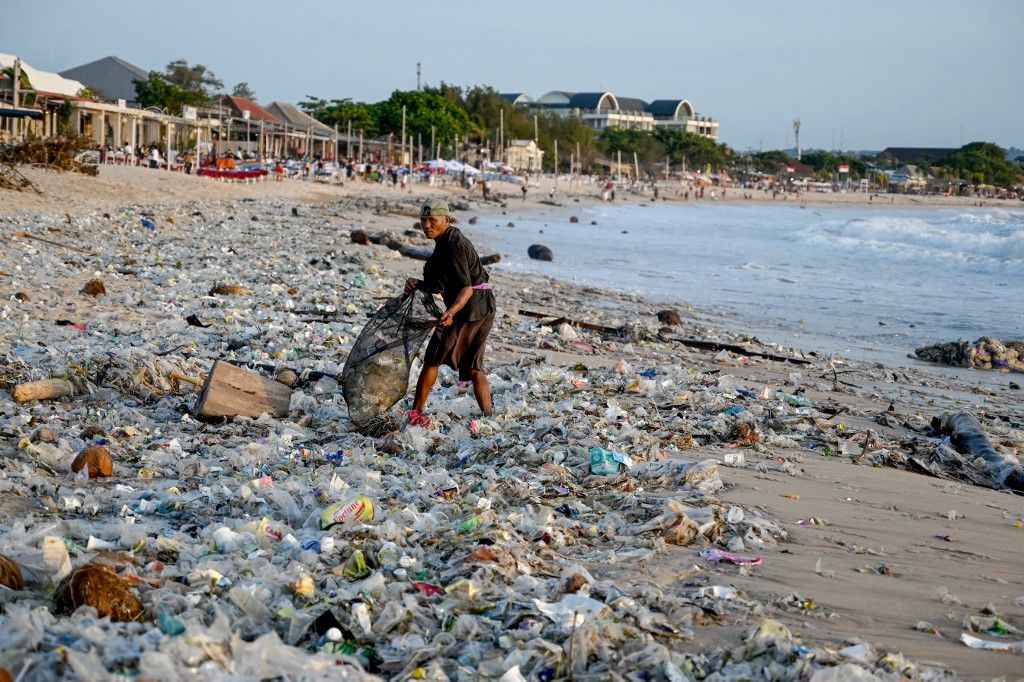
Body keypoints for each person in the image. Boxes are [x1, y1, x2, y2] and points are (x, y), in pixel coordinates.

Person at [404, 198, 496, 423]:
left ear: (446, 220)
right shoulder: (441, 247)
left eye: (432, 220)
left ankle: (416, 412)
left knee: (433, 358)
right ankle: (489, 416)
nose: (426, 225)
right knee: (473, 365)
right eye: (423, 220)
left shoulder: (454, 244)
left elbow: (466, 288)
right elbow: (437, 285)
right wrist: (416, 283)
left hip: (470, 307)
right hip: (484, 306)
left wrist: (451, 313)